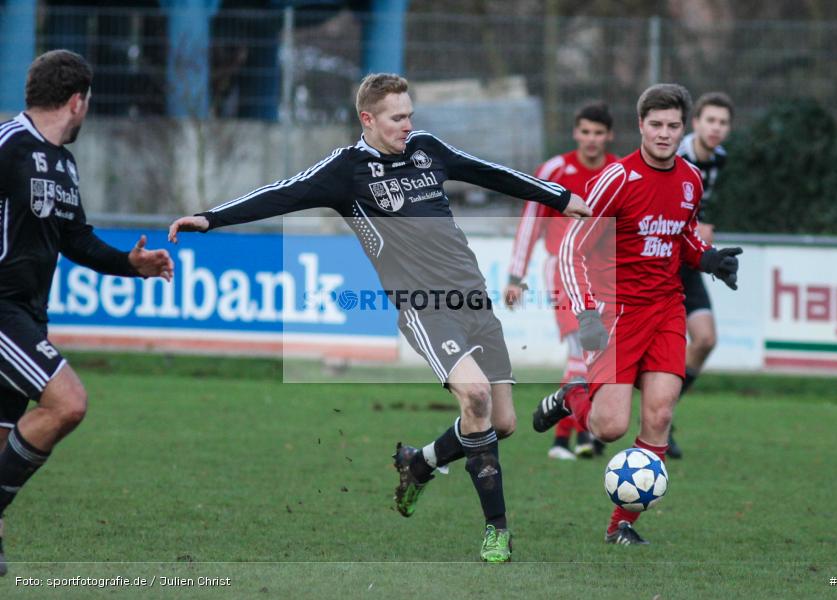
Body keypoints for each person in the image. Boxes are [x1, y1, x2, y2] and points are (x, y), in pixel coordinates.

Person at [168, 73, 591, 562]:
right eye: (397, 117)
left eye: (410, 114)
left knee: (501, 422)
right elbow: (281, 192)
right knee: (474, 398)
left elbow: (490, 172)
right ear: (367, 119)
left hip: (473, 299)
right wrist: (211, 217)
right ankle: (497, 530)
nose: (408, 124)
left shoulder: (427, 149)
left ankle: (419, 463)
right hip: (423, 307)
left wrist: (559, 198)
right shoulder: (346, 171)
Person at [531, 83, 741, 545]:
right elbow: (572, 249)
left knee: (661, 414)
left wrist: (706, 258)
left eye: (673, 126)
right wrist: (586, 313)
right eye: (656, 125)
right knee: (609, 427)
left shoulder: (691, 179)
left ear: (682, 128)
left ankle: (620, 524)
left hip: (667, 308)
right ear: (640, 126)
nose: (665, 134)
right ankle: (572, 397)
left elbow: (681, 236)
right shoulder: (616, 180)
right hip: (617, 313)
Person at [0, 50, 174, 575]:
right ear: (78, 100)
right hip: (2, 310)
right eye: (88, 103)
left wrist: (130, 264)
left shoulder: (63, 163)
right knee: (69, 402)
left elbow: (75, 238)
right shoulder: (8, 144)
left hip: (30, 314)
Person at [504, 102, 616, 461]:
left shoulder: (618, 172)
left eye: (598, 133)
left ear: (609, 136)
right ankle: (567, 440)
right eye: (585, 131)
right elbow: (530, 222)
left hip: (605, 273)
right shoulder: (555, 169)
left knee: (598, 357)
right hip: (564, 270)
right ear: (575, 133)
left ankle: (577, 438)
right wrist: (515, 276)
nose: (592, 139)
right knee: (580, 352)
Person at [668, 92, 733, 459]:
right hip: (662, 263)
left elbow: (700, 206)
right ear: (695, 124)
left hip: (690, 262)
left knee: (705, 339)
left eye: (723, 122)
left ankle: (665, 412)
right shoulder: (677, 157)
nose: (716, 128)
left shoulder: (718, 160)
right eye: (710, 120)